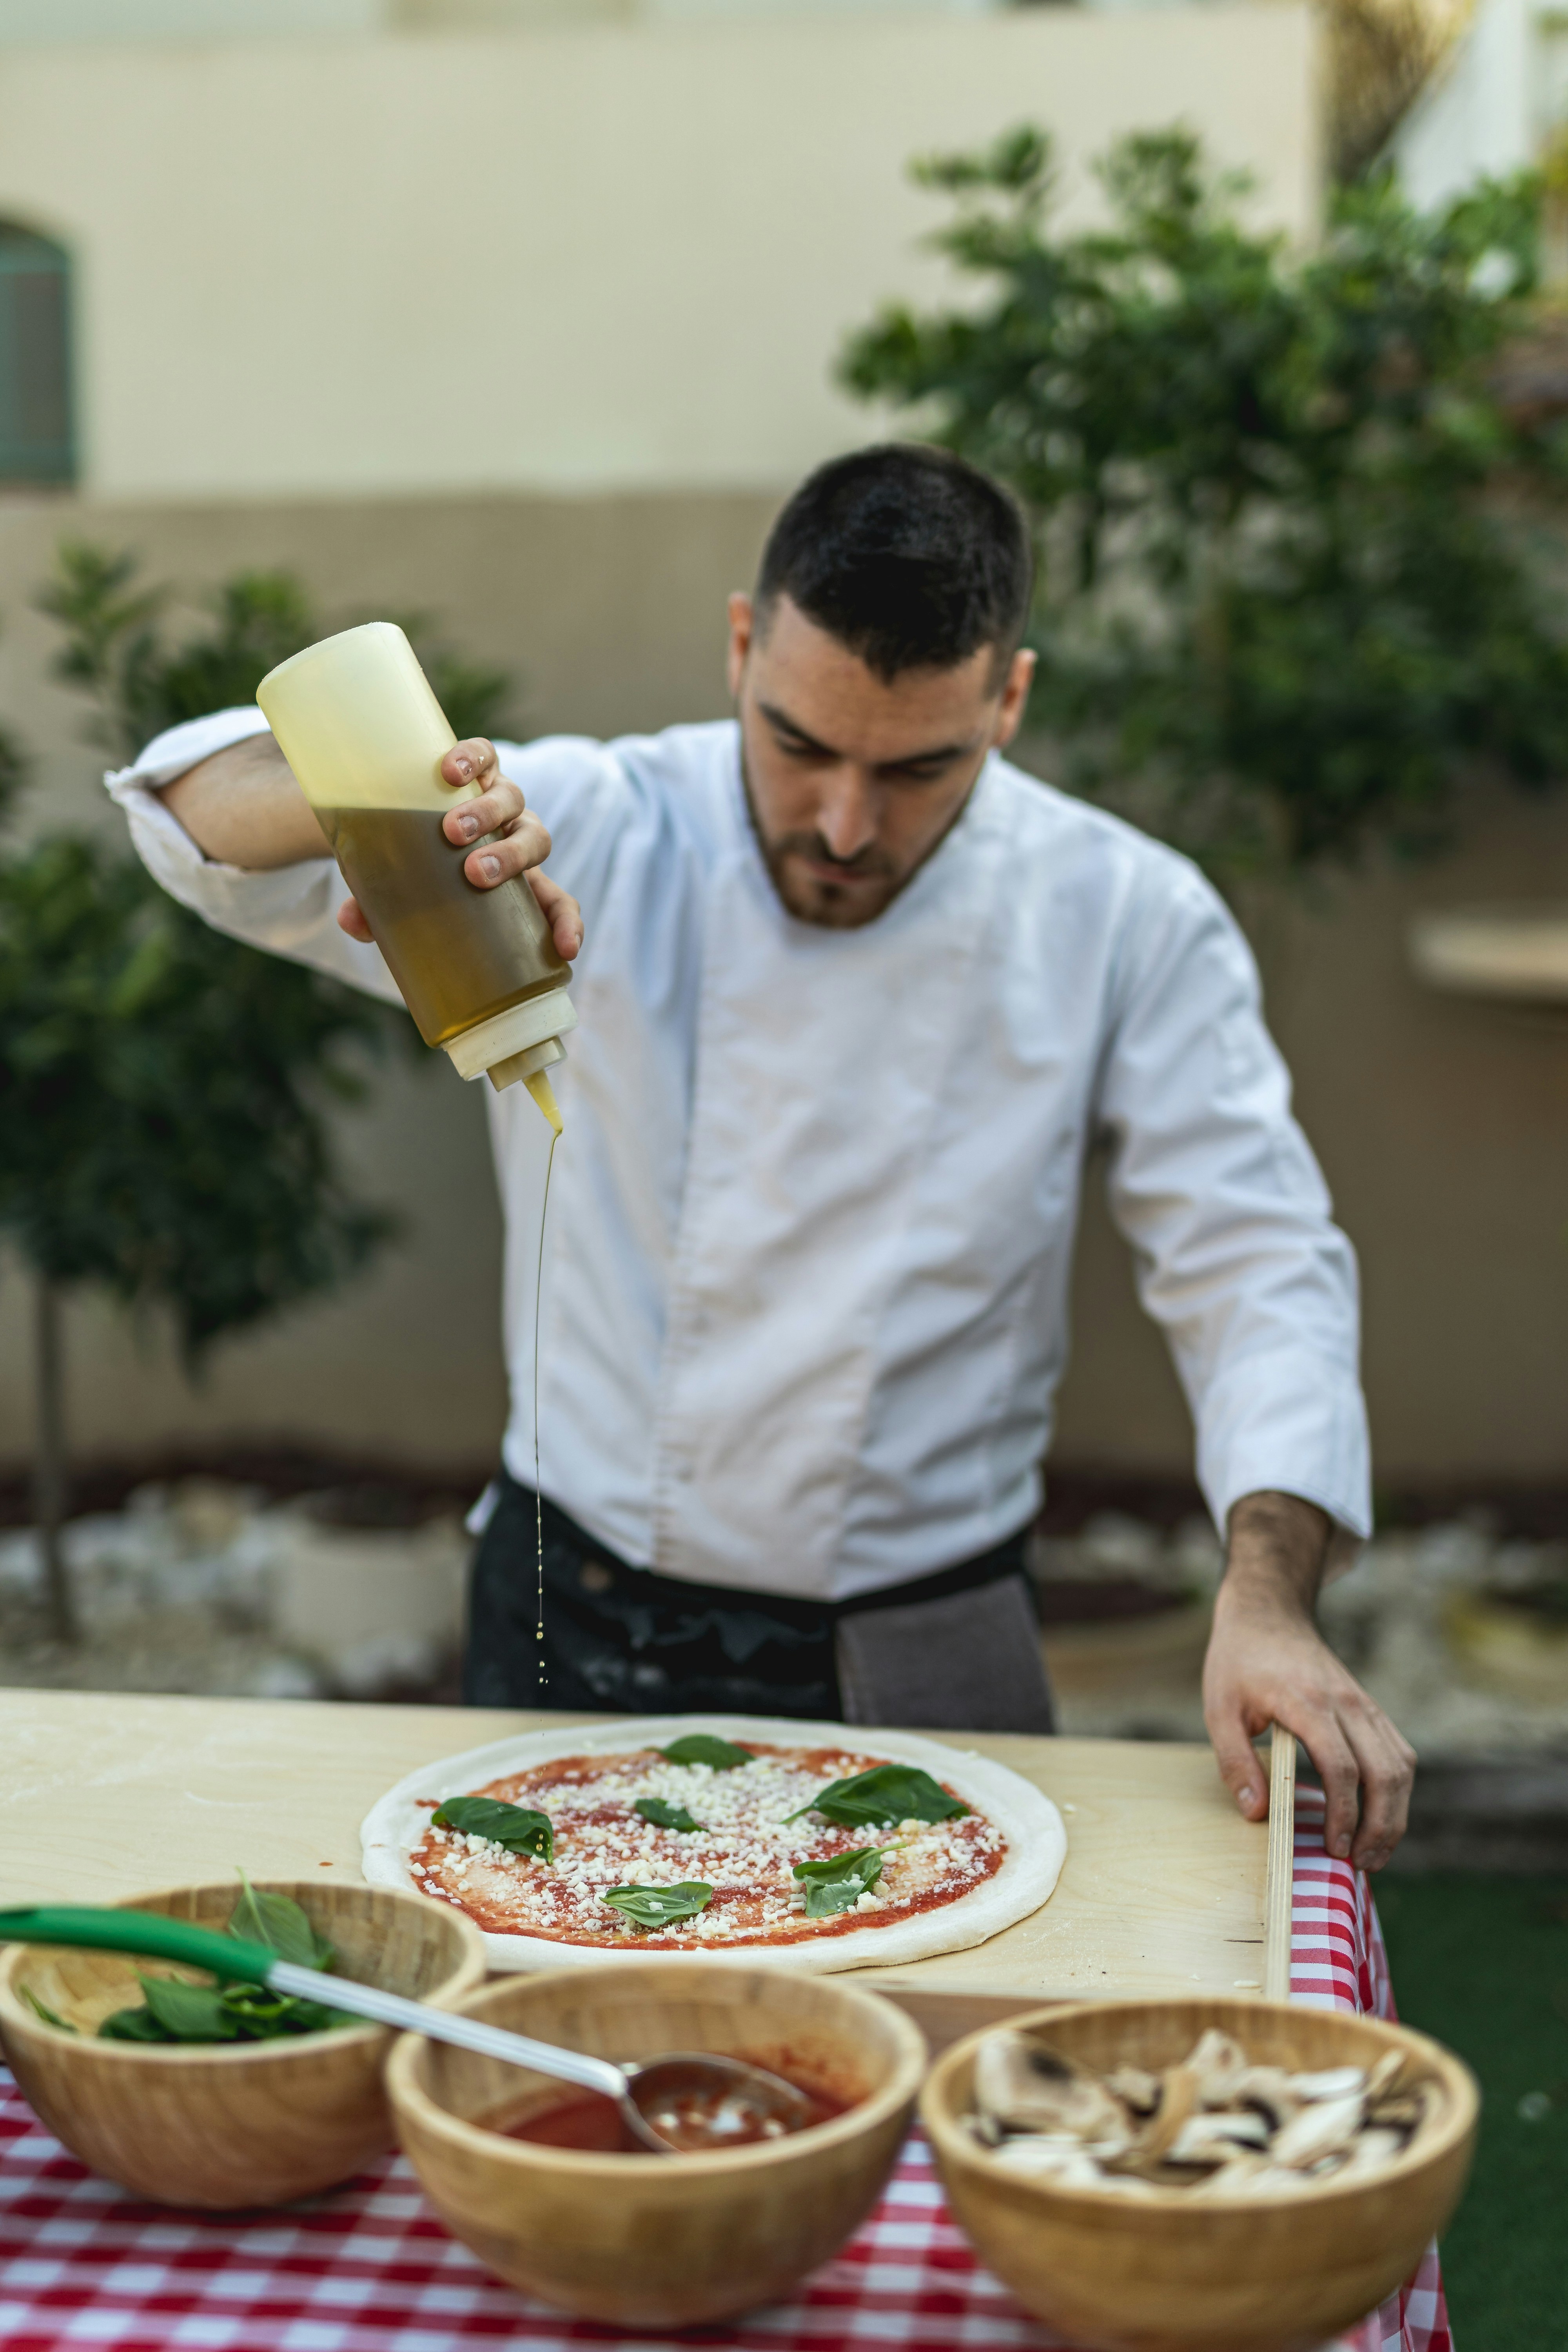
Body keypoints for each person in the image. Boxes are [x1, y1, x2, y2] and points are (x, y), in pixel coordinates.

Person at [109, 445, 1415, 1870]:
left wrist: (1271, 1595)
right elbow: (193, 823)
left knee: (935, 2054)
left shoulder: (1129, 915)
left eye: (919, 768)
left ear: (1010, 701)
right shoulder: (589, 828)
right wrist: (391, 810)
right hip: (572, 1603)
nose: (845, 825)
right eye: (800, 746)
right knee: (532, 2055)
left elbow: (1257, 1260)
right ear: (742, 650)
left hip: (926, 1636)